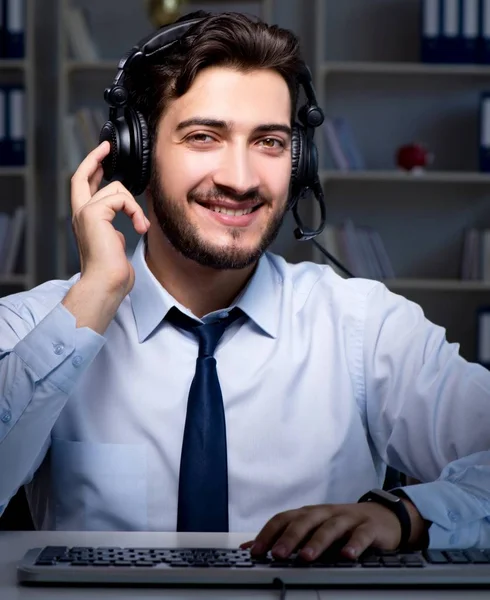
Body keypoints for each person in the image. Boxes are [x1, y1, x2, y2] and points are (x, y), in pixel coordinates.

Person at [1, 10, 490, 563]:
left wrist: (405, 515)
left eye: (270, 142)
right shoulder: (38, 324)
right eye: (203, 136)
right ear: (136, 155)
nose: (241, 178)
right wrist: (92, 298)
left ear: (298, 162)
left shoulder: (367, 328)